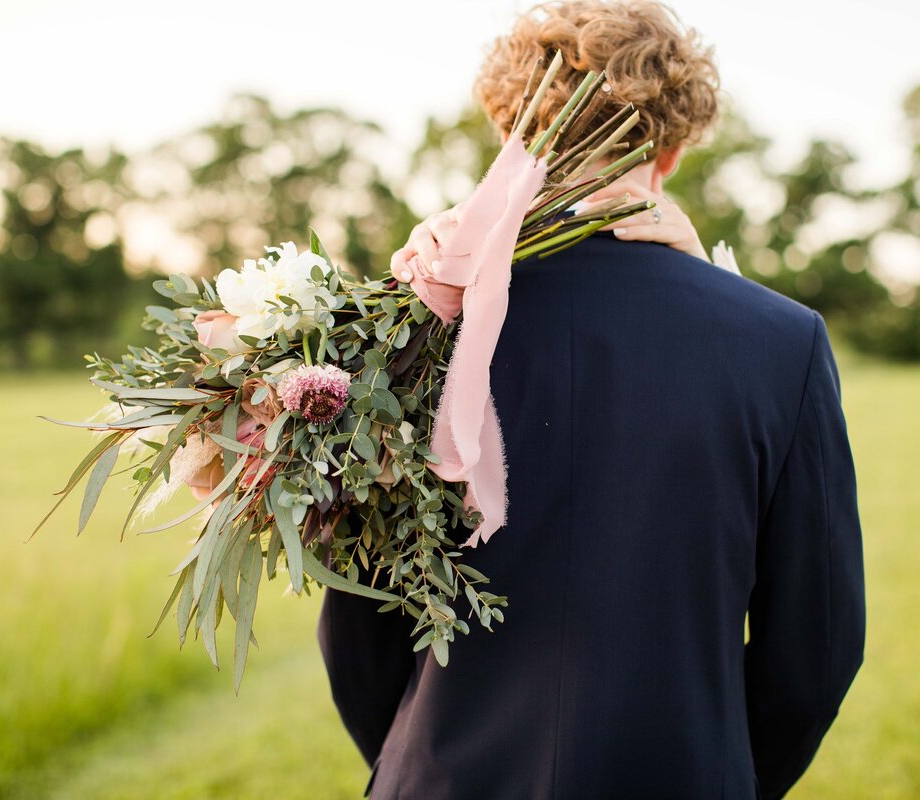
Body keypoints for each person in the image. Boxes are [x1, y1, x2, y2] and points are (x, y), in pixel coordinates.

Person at [318, 2, 866, 797]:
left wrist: (422, 760)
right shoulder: (783, 345)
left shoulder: (403, 338)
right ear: (671, 149)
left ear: (509, 129)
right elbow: (815, 652)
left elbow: (357, 633)